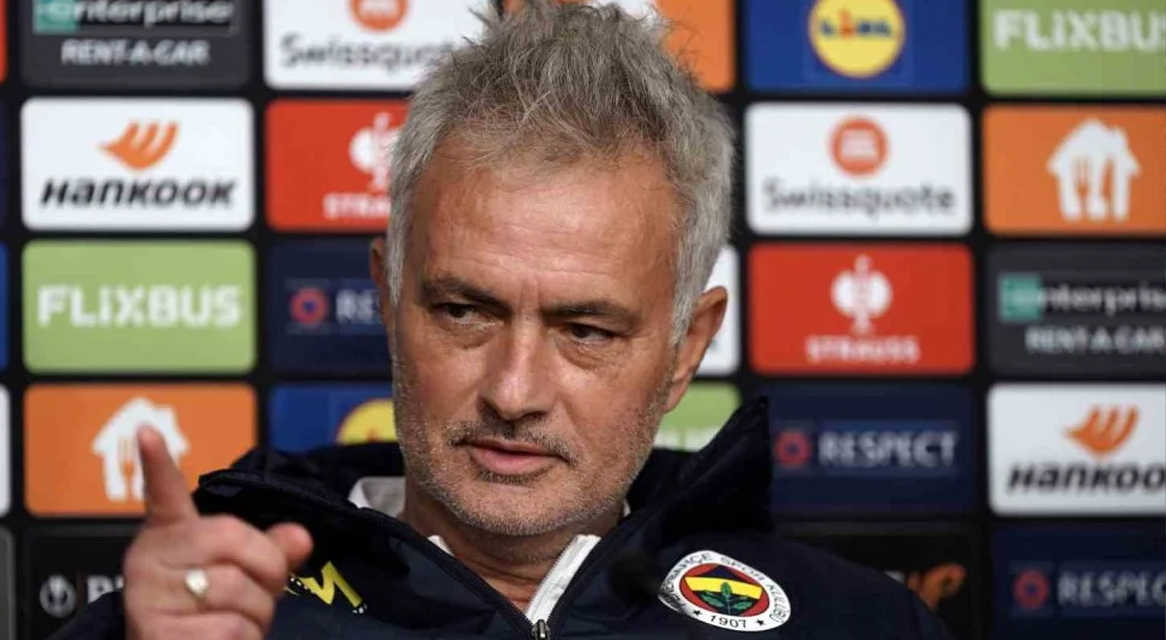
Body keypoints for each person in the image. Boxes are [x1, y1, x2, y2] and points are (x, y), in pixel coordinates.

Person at [50, 1, 957, 638]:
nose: (514, 393)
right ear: (388, 297)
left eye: (586, 331)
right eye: (465, 311)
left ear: (686, 348)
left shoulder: (861, 623)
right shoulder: (201, 620)